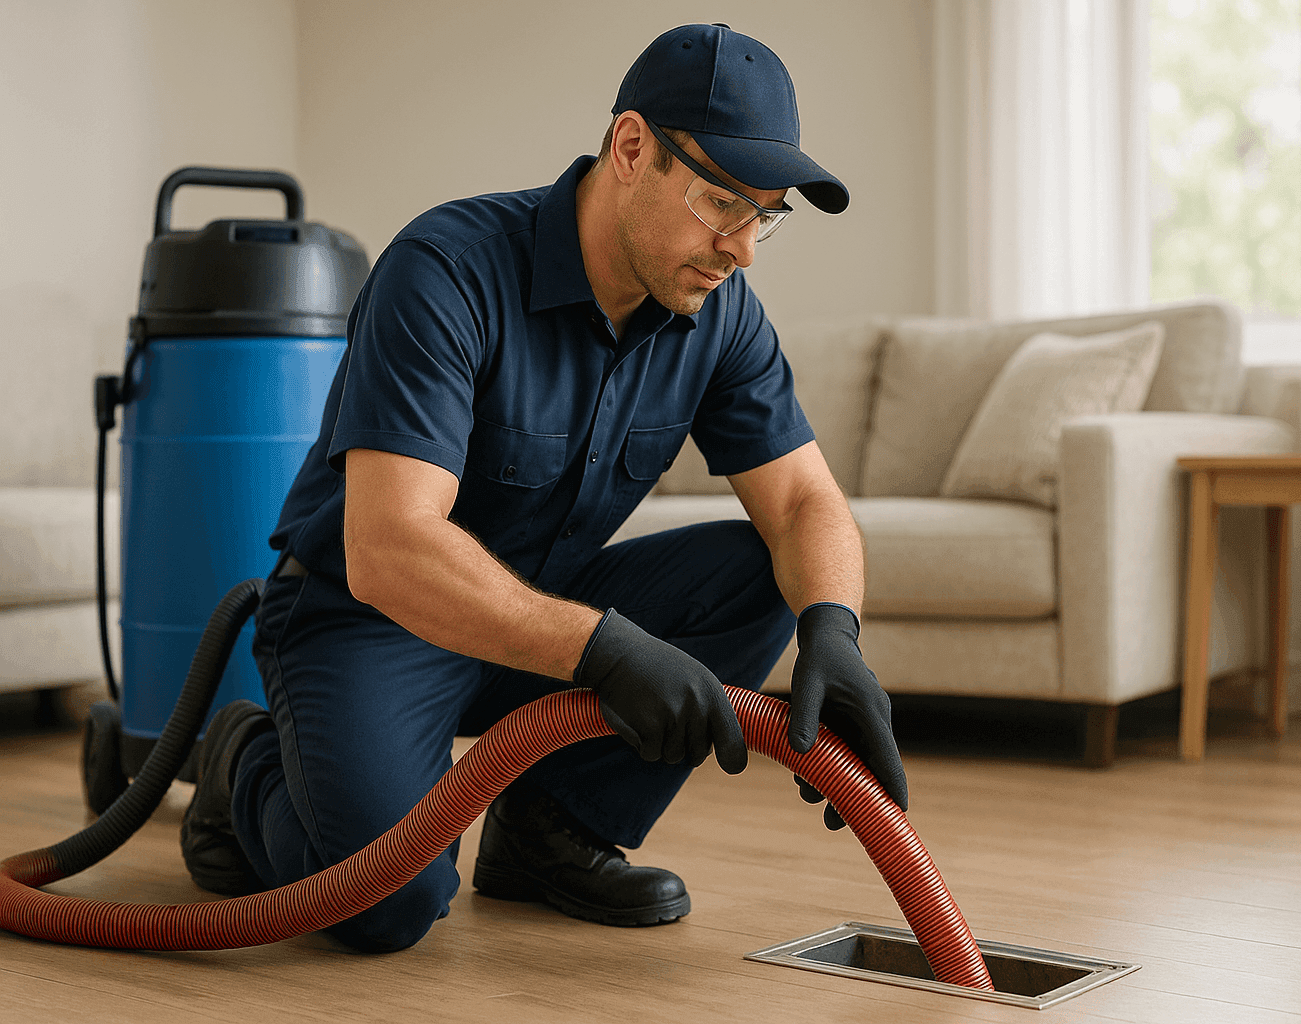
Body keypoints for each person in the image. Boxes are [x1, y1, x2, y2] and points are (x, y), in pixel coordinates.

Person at [177, 23, 908, 954]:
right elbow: (390, 548)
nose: (743, 249)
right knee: (384, 904)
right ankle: (240, 763)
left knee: (774, 573)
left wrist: (835, 633)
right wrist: (604, 650)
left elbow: (805, 503)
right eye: (722, 201)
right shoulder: (447, 272)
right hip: (371, 616)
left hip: (542, 616)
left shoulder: (721, 316)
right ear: (632, 147)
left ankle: (547, 831)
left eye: (765, 215)